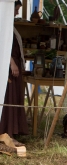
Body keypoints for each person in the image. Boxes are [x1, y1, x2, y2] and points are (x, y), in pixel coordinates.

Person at [0, 0, 28, 138]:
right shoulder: (3, 26)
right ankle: (6, 131)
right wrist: (11, 63)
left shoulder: (10, 26)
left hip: (14, 65)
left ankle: (11, 131)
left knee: (14, 98)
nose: (17, 12)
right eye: (16, 9)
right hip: (9, 67)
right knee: (8, 99)